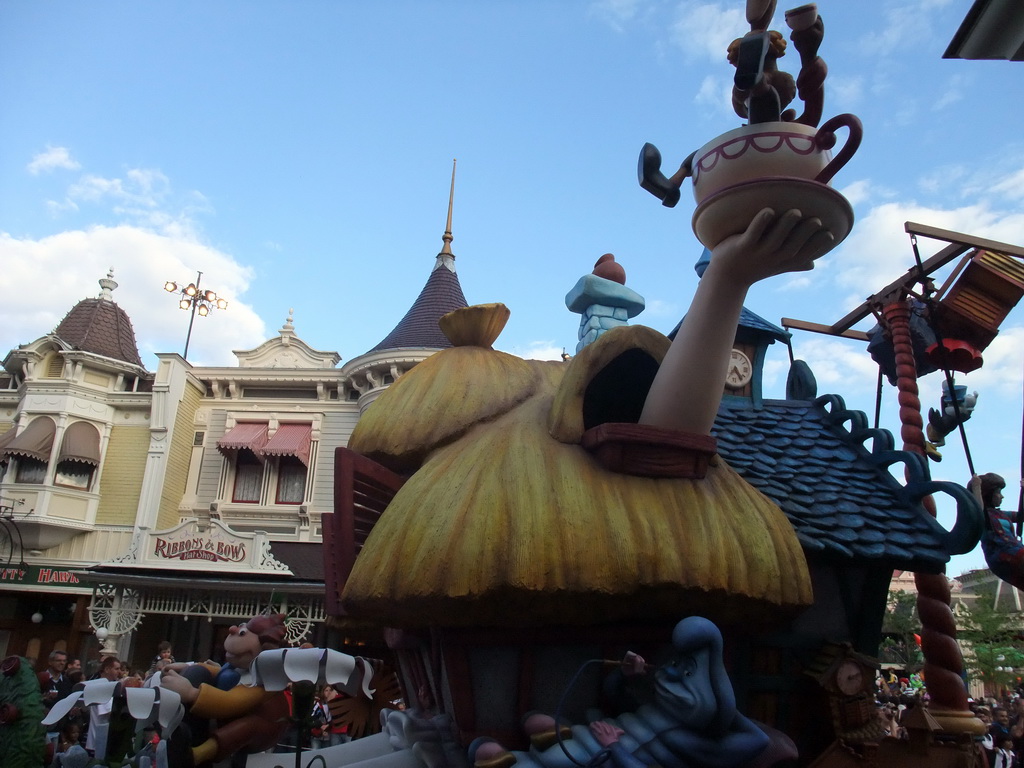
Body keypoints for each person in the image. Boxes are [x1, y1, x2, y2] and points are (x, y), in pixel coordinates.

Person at [84, 657, 122, 757]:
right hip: (98, 742)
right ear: (107, 669)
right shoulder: (102, 687)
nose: (119, 672)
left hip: (104, 741)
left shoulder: (110, 686)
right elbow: (109, 713)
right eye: (116, 669)